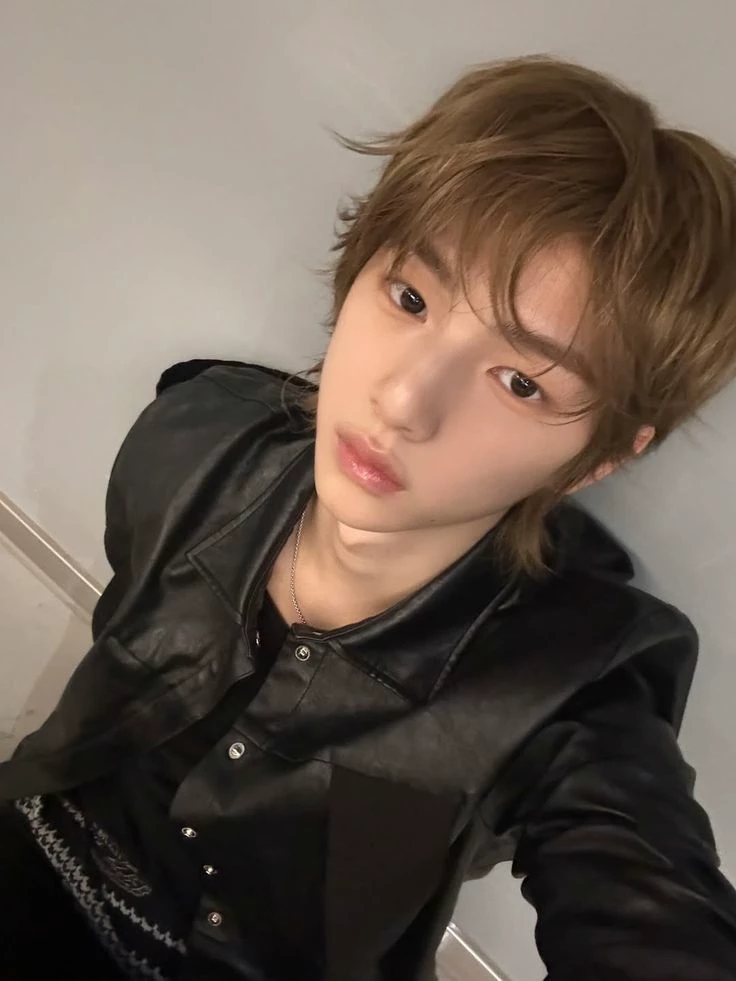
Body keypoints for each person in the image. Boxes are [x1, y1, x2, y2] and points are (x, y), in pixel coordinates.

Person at [2, 53, 736, 981]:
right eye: (410, 297)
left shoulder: (569, 688)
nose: (402, 401)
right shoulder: (192, 441)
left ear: (599, 457)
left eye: (520, 381)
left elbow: (647, 899)